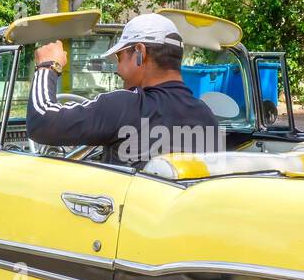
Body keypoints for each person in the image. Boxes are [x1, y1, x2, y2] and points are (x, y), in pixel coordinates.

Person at [26, 13, 221, 168]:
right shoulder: (207, 117)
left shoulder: (124, 106)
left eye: (119, 57)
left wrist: (48, 67)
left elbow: (42, 122)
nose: (118, 69)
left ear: (140, 52)